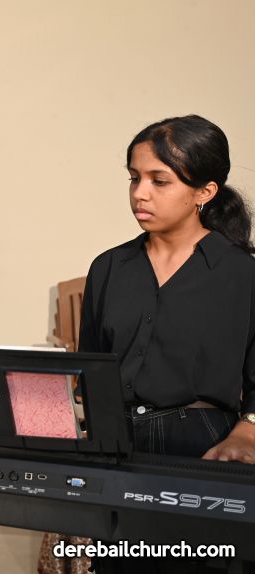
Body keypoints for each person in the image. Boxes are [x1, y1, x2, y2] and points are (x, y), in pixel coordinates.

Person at [78, 115, 255, 573]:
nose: (140, 193)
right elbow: (89, 369)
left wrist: (248, 430)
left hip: (202, 449)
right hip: (118, 449)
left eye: (159, 181)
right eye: (134, 178)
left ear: (204, 191)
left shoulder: (243, 274)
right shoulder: (108, 268)